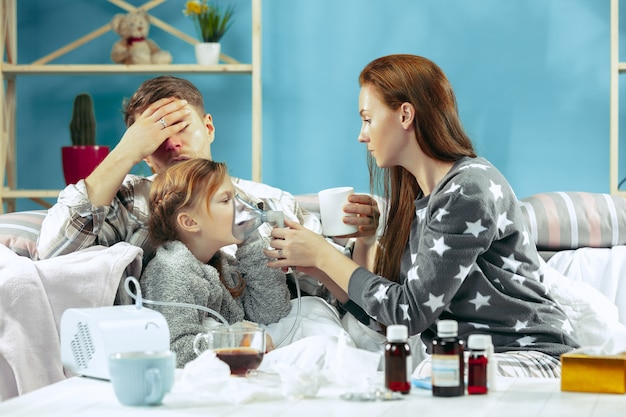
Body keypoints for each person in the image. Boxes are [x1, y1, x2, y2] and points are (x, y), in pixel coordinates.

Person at [266, 54, 580, 377]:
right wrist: (357, 244)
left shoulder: (467, 191)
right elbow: (384, 320)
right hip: (472, 360)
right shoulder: (421, 200)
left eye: (367, 119)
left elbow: (407, 311)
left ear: (405, 115)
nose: (362, 135)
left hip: (532, 356)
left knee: (430, 380)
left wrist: (324, 253)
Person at [36, 76, 322, 266]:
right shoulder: (124, 203)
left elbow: (325, 285)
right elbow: (52, 256)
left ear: (208, 128)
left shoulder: (273, 202)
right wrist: (125, 151)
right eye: (154, 137)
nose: (172, 143)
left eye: (181, 127)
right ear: (144, 153)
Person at [140, 158, 291, 367]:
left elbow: (271, 311)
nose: (241, 207)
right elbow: (177, 348)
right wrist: (239, 340)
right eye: (226, 200)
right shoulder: (171, 270)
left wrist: (251, 238)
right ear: (190, 222)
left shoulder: (221, 264)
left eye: (237, 197)